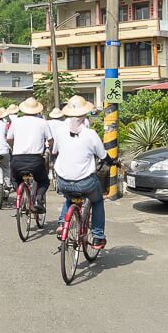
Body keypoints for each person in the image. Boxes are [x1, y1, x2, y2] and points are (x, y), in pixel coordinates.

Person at [55, 95, 109, 248]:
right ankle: (98, 236)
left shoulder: (59, 132)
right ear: (85, 114)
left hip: (63, 182)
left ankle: (62, 224)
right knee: (97, 200)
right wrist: (112, 162)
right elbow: (103, 155)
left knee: (70, 197)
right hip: (85, 183)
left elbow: (55, 151)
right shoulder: (90, 134)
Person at [6, 97, 54, 213]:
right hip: (36, 160)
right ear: (37, 110)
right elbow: (50, 139)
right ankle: (38, 199)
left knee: (14, 178)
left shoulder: (16, 121)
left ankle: (21, 195)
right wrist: (48, 148)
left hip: (17, 159)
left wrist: (14, 148)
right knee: (43, 181)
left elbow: (9, 138)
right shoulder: (43, 122)